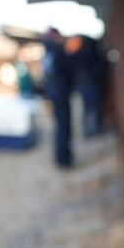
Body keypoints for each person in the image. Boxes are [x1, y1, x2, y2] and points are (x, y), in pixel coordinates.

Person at [41, 28, 74, 168]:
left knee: (58, 126)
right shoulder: (58, 51)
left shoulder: (46, 53)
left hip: (52, 94)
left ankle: (60, 157)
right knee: (64, 126)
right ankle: (64, 159)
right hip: (61, 93)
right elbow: (68, 71)